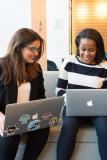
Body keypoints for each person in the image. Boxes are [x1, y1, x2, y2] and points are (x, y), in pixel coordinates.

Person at [56, 28, 107, 160]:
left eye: (91, 50)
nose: (86, 54)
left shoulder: (105, 66)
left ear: (98, 49)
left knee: (105, 128)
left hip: (98, 110)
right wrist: (68, 99)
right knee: (68, 126)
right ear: (78, 47)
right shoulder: (69, 62)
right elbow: (59, 89)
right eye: (83, 49)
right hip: (73, 109)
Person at [0, 28, 50, 160]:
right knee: (11, 134)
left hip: (27, 118)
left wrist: (43, 111)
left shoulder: (36, 68)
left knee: (44, 129)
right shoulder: (1, 66)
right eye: (32, 49)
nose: (36, 53)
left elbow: (41, 96)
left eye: (38, 49)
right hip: (4, 119)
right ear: (18, 47)